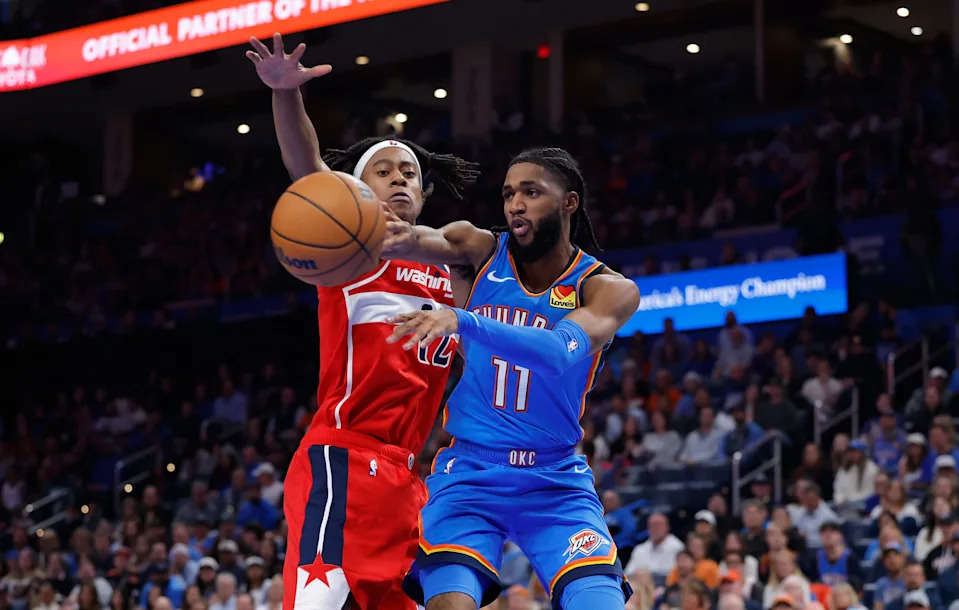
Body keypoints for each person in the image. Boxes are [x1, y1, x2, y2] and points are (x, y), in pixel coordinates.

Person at [246, 33, 480, 610]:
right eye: (386, 171)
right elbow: (306, 169)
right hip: (344, 457)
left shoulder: (453, 268)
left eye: (410, 172)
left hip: (407, 478)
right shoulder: (350, 247)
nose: (401, 178)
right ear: (354, 188)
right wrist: (285, 96)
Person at [382, 147, 639, 609]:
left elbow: (558, 352)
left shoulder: (606, 289)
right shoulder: (476, 250)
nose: (514, 204)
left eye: (531, 191)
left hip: (554, 479)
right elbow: (406, 239)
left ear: (569, 203)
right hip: (472, 474)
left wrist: (464, 320)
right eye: (507, 194)